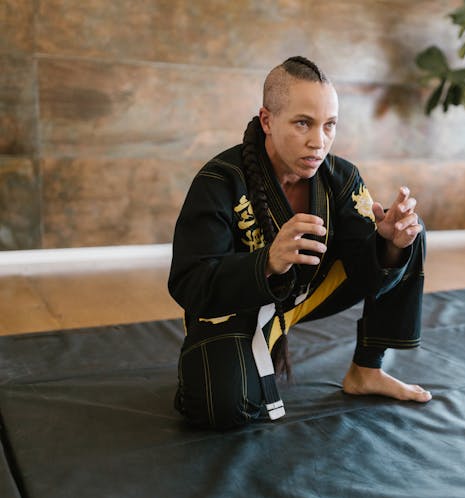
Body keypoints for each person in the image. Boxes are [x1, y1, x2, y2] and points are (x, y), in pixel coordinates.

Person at [168, 56, 431, 430]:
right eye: (303, 123)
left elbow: (365, 272)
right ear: (267, 120)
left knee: (410, 231)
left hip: (305, 296)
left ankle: (366, 371)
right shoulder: (219, 181)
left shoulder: (341, 178)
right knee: (223, 407)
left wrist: (388, 244)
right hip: (235, 306)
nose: (318, 141)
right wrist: (266, 263)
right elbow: (187, 283)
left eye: (329, 126)